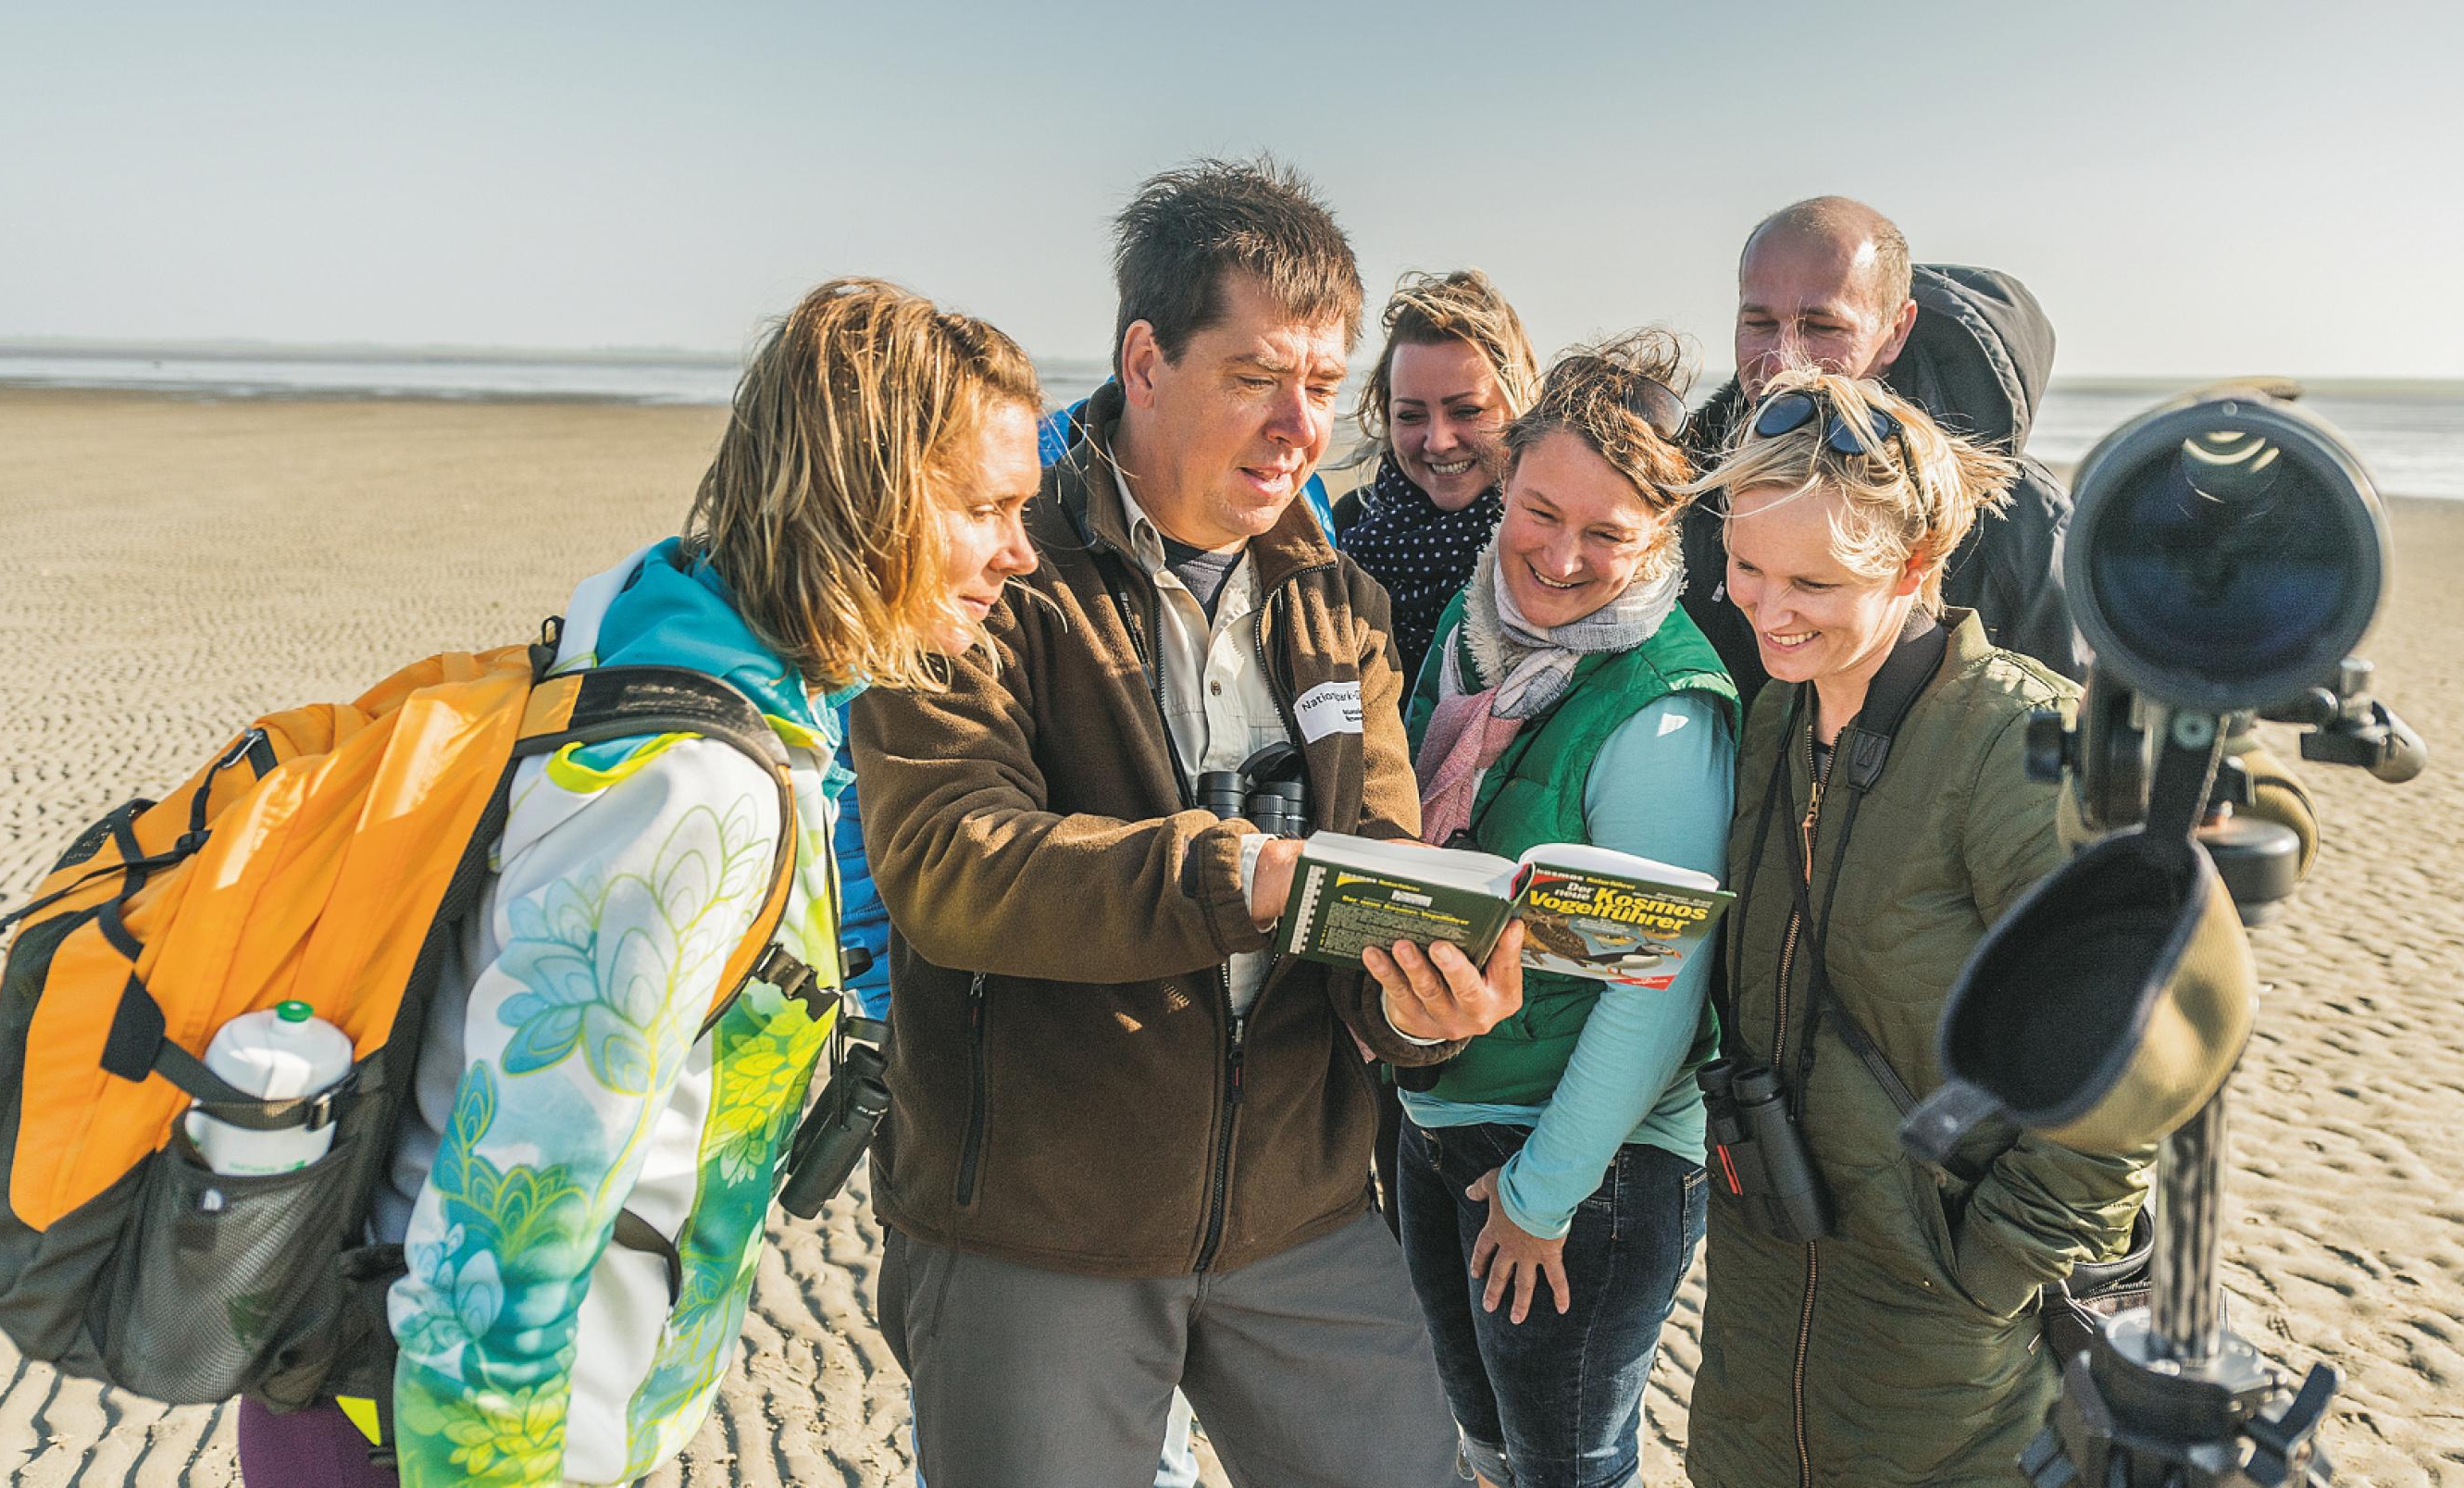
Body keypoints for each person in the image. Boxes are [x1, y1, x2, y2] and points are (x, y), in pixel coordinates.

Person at [234, 279, 1049, 1487]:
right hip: (439, 1441)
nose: (1018, 553)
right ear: (865, 495)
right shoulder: (687, 789)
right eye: (985, 507)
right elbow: (511, 1216)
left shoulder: (672, 664)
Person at [850, 156, 1528, 1488]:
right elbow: (945, 866)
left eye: (1325, 389)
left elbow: (1377, 886)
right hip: (1036, 1234)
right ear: (1144, 359)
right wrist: (1248, 876)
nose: (1297, 427)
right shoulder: (982, 569)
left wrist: (1419, 1007)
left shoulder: (1340, 605)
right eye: (1255, 377)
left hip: (1304, 1219)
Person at [1679, 370, 2318, 1487]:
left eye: (1814, 582)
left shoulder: (2014, 746)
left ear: (1918, 564)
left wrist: (1990, 1268)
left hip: (1947, 1353)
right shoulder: (1780, 712)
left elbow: (2126, 1081)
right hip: (1759, 1313)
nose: (1766, 610)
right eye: (1745, 567)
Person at [1392, 331, 1735, 1488]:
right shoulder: (1469, 627)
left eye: (1609, 535)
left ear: (1665, 537)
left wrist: (1543, 1196)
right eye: (1541, 512)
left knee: (1569, 1473)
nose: (1563, 557)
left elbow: (1659, 982)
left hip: (1585, 1162)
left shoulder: (1662, 711)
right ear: (1505, 481)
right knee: (1486, 1457)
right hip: (1442, 1114)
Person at [1679, 197, 2078, 703]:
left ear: (1896, 331)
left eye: (1822, 327)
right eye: (1759, 323)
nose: (1782, 359)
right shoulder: (1689, 480)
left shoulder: (2016, 516)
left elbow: (2072, 731)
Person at [1331, 267, 1543, 660]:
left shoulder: (1545, 545)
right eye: (1411, 416)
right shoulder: (1347, 526)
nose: (1438, 442)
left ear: (1520, 410)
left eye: (1467, 411)